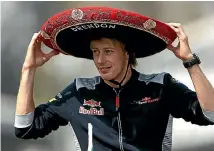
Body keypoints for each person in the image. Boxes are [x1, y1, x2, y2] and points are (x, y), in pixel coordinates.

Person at [14, 7, 214, 151]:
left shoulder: (160, 86)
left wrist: (189, 61)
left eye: (108, 51)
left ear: (127, 53)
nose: (100, 60)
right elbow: (25, 128)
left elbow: (210, 115)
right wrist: (29, 68)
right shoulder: (79, 91)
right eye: (95, 52)